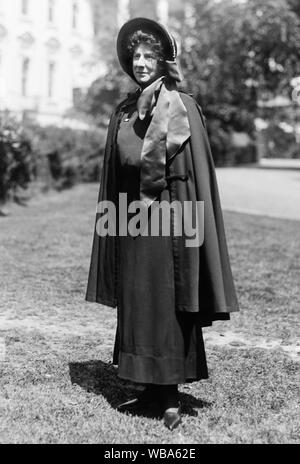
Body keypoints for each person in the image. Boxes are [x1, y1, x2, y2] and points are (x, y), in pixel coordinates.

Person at [85, 17, 239, 431]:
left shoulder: (182, 106)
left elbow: (196, 173)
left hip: (174, 220)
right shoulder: (122, 112)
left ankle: (170, 395)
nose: (140, 63)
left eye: (148, 56)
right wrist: (112, 225)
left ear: (161, 61)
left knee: (170, 302)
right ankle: (147, 388)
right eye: (135, 56)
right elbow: (114, 175)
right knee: (138, 299)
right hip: (134, 219)